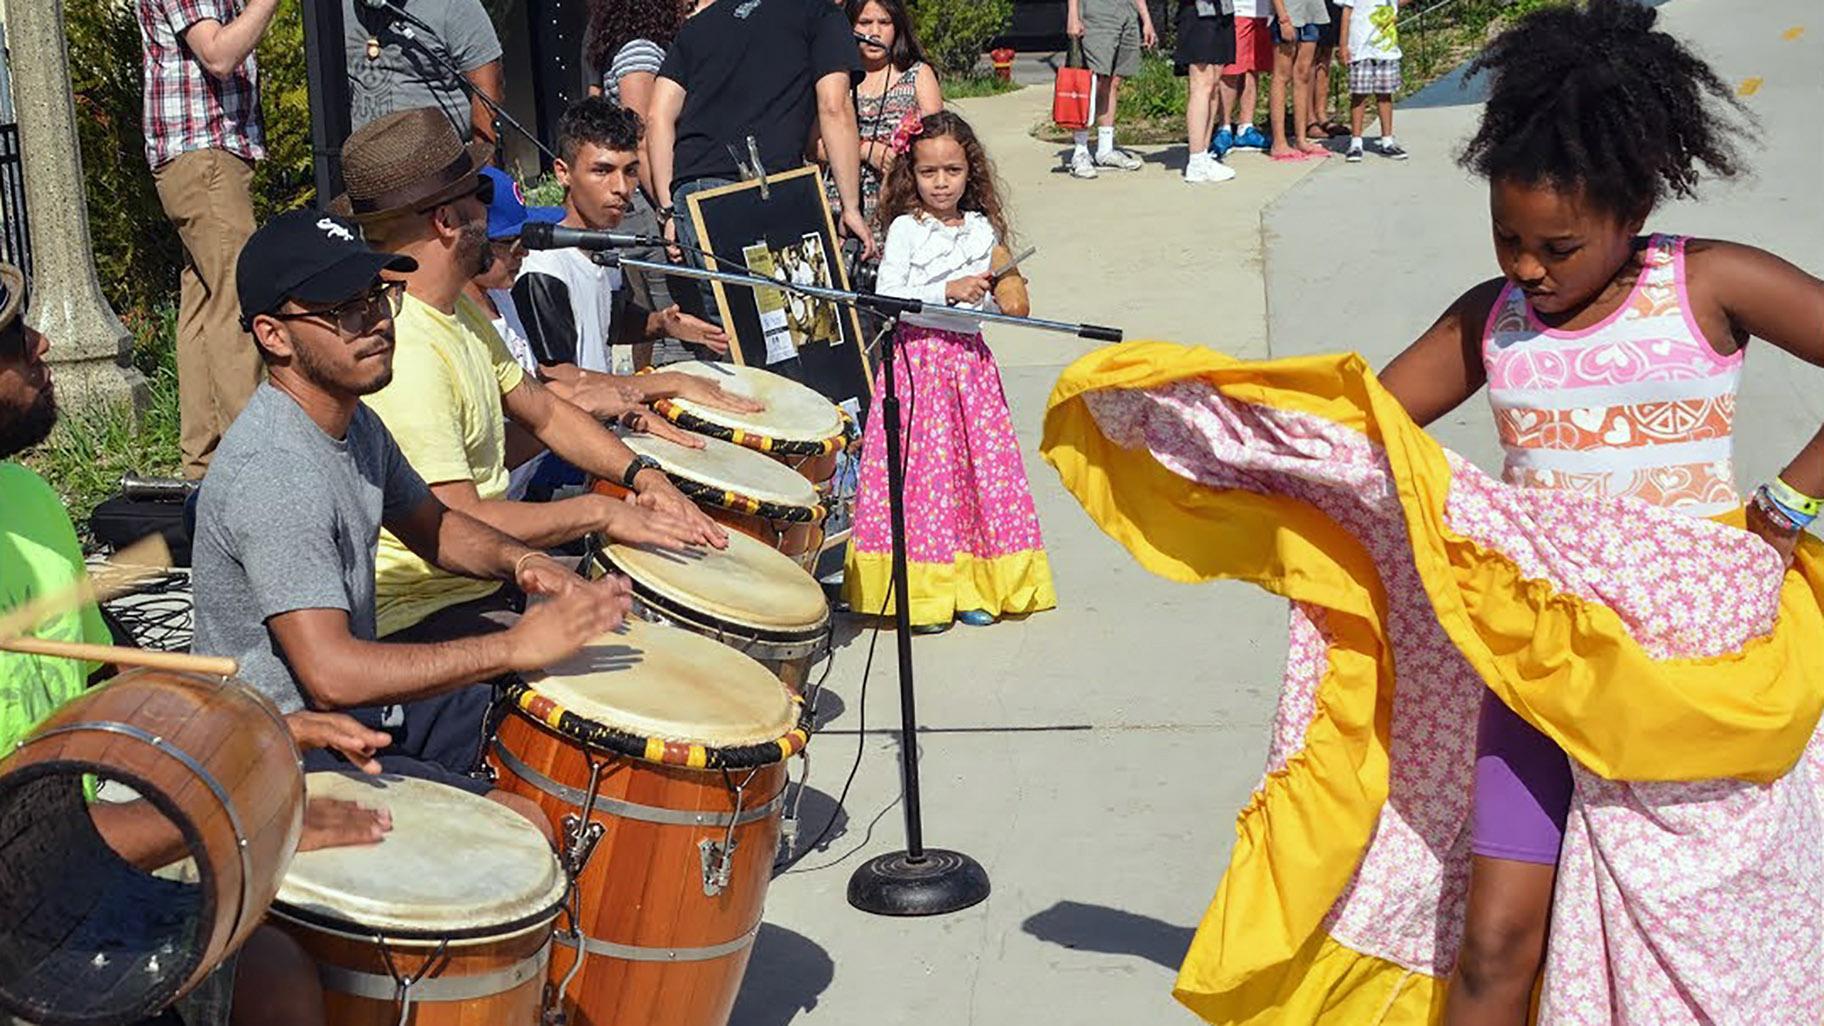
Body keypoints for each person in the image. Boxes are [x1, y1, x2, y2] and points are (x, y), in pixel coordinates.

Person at [1371, 2, 1824, 1018]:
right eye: (1507, 239)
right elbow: (1360, 421)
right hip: (1543, 666)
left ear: (1637, 204)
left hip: (1694, 678)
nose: (1529, 268)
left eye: (1558, 246)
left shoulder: (1708, 283)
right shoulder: (1493, 318)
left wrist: (1795, 501)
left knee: (1702, 934)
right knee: (1495, 941)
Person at [0, 260, 395, 1026]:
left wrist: (248, 733)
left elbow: (110, 689)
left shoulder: (26, 497)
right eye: (14, 340)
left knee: (275, 970)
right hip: (22, 924)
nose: (44, 343)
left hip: (77, 870)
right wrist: (236, 814)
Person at [192, 209, 639, 829]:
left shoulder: (354, 421)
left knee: (567, 721)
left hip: (351, 728)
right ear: (273, 334)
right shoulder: (276, 473)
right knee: (527, 825)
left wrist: (528, 564)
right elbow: (332, 676)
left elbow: (438, 526)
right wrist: (513, 644)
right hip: (279, 763)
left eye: (378, 296)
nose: (376, 321)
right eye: (345, 309)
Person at [329, 109, 722, 644]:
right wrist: (600, 512)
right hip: (427, 618)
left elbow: (545, 411)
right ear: (447, 220)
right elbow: (456, 520)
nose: (491, 216)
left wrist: (644, 476)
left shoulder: (457, 311)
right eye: (481, 198)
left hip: (483, 584)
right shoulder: (408, 350)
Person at [843, 111, 1056, 632]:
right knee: (923, 480)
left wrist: (1008, 291)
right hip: (918, 363)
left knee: (973, 476)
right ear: (911, 176)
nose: (941, 183)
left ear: (971, 172)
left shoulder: (983, 229)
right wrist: (946, 290)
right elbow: (888, 296)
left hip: (969, 367)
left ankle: (976, 585)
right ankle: (924, 593)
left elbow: (1009, 293)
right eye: (929, 172)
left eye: (953, 171)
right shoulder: (906, 231)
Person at [513, 99, 763, 425]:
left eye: (630, 171)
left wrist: (661, 323)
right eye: (602, 170)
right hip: (560, 452)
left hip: (597, 430)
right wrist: (671, 383)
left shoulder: (603, 250)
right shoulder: (543, 268)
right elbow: (558, 376)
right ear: (563, 173)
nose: (621, 188)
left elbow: (608, 322)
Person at [648, 0, 877, 321]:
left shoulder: (699, 25)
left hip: (694, 193)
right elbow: (834, 106)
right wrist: (850, 207)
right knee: (798, 330)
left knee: (724, 336)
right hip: (766, 191)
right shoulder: (821, 14)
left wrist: (668, 210)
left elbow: (657, 116)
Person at [134, 0, 276, 480]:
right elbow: (218, 53)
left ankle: (206, 463)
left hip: (201, 158)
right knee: (237, 298)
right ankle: (253, 467)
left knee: (202, 304)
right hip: (204, 155)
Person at [584, 0, 690, 336]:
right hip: (645, 201)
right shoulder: (640, 51)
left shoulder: (630, 46)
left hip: (642, 198)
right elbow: (641, 139)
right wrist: (667, 208)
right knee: (666, 312)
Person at [819, 0, 942, 227]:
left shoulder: (918, 75)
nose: (874, 32)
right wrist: (866, 150)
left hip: (902, 212)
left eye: (884, 22)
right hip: (840, 214)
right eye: (864, 23)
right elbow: (814, 146)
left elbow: (937, 143)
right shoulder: (834, 79)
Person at [344, 0, 504, 145]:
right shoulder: (331, 9)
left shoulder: (454, 5)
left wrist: (486, 172)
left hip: (441, 164)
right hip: (361, 164)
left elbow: (486, 90)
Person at [1065, 0, 1157, 180]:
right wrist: (1073, 14)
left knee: (1113, 80)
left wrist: (1146, 18)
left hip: (1127, 12)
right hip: (1097, 12)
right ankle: (1080, 151)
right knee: (1091, 81)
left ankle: (1105, 150)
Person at [1174, 0, 1239, 184]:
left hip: (1221, 11)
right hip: (1197, 13)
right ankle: (1195, 161)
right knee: (1201, 84)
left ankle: (1203, 153)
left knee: (1214, 83)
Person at [1338, 0, 1407, 162]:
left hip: (1386, 48)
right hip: (1360, 48)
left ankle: (1387, 140)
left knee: (1385, 94)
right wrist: (1343, 44)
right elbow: (1346, 13)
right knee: (1359, 95)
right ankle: (1355, 142)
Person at [1266, 0, 1332, 160]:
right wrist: (1283, 17)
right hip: (1287, 13)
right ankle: (1279, 143)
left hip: (1312, 12)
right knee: (1282, 75)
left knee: (1303, 75)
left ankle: (1301, 139)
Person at [1211, 0, 1273, 157]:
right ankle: (1224, 127)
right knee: (1230, 70)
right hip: (1237, 10)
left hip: (1262, 12)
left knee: (1253, 68)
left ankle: (1245, 126)